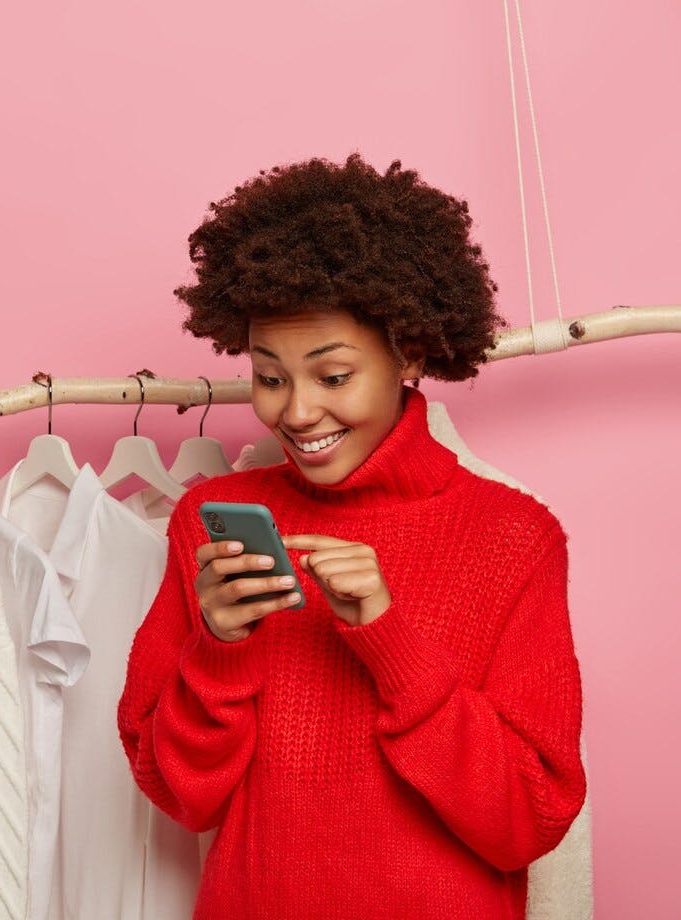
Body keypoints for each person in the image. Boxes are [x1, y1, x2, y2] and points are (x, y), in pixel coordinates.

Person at [117, 153, 587, 919]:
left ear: (409, 353)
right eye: (270, 378)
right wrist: (218, 652)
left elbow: (528, 820)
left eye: (333, 376)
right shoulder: (211, 522)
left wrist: (389, 639)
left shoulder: (514, 536)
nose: (296, 413)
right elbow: (179, 795)